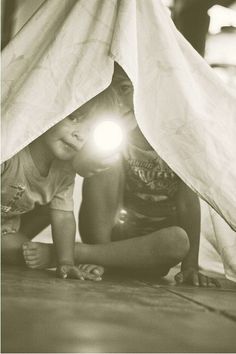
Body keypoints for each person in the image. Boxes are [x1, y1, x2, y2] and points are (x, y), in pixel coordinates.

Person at [76, 64, 220, 287]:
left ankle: (85, 254)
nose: (119, 98)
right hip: (110, 234)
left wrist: (190, 265)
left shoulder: (180, 140)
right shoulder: (113, 132)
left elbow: (188, 204)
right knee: (105, 160)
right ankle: (98, 255)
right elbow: (88, 173)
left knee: (178, 240)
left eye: (125, 88)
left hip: (152, 246)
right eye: (115, 89)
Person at [1, 84, 123, 281]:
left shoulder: (65, 171)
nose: (80, 135)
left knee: (22, 250)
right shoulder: (11, 149)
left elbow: (64, 217)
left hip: (5, 230)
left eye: (90, 131)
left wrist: (65, 262)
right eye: (73, 118)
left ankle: (55, 255)